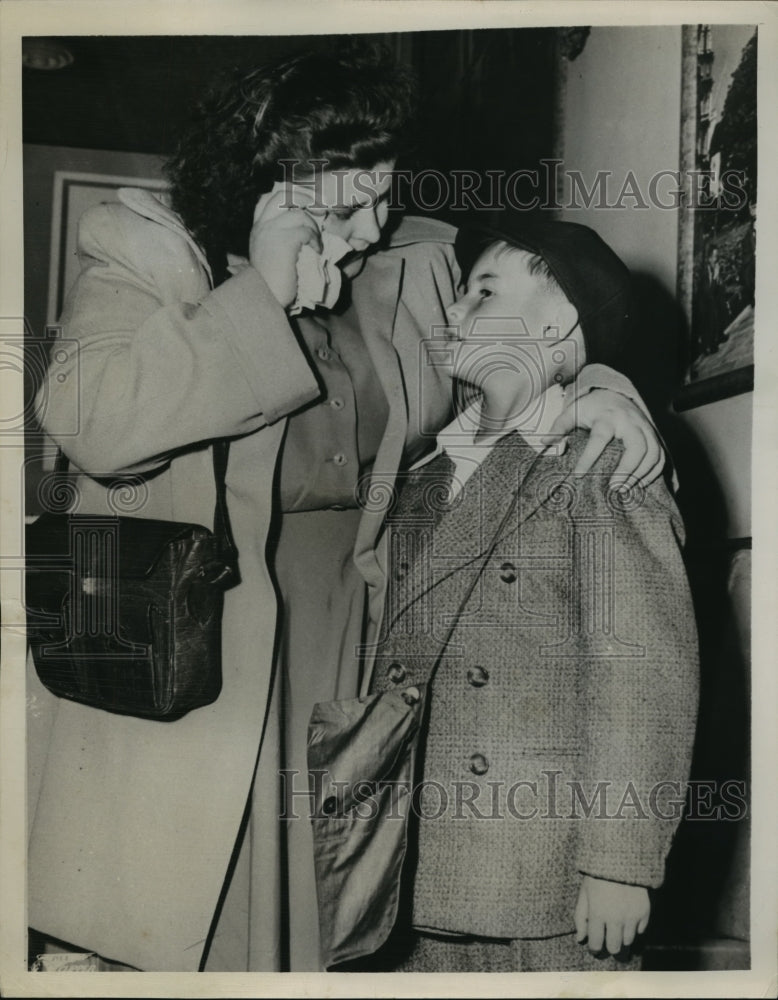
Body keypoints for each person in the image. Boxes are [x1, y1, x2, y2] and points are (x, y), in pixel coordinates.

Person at [28, 45, 666, 972]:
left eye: (382, 193)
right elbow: (91, 421)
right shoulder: (146, 252)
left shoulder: (412, 266)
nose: (368, 226)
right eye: (340, 201)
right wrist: (265, 294)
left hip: (352, 648)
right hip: (203, 643)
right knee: (203, 924)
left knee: (323, 927)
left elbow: (520, 358)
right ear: (264, 178)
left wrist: (600, 388)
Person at [309, 220, 699, 973]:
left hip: (544, 871)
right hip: (413, 858)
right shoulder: (423, 474)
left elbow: (642, 670)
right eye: (458, 291)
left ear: (556, 322)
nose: (454, 309)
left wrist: (621, 862)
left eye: (483, 291)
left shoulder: (600, 457)